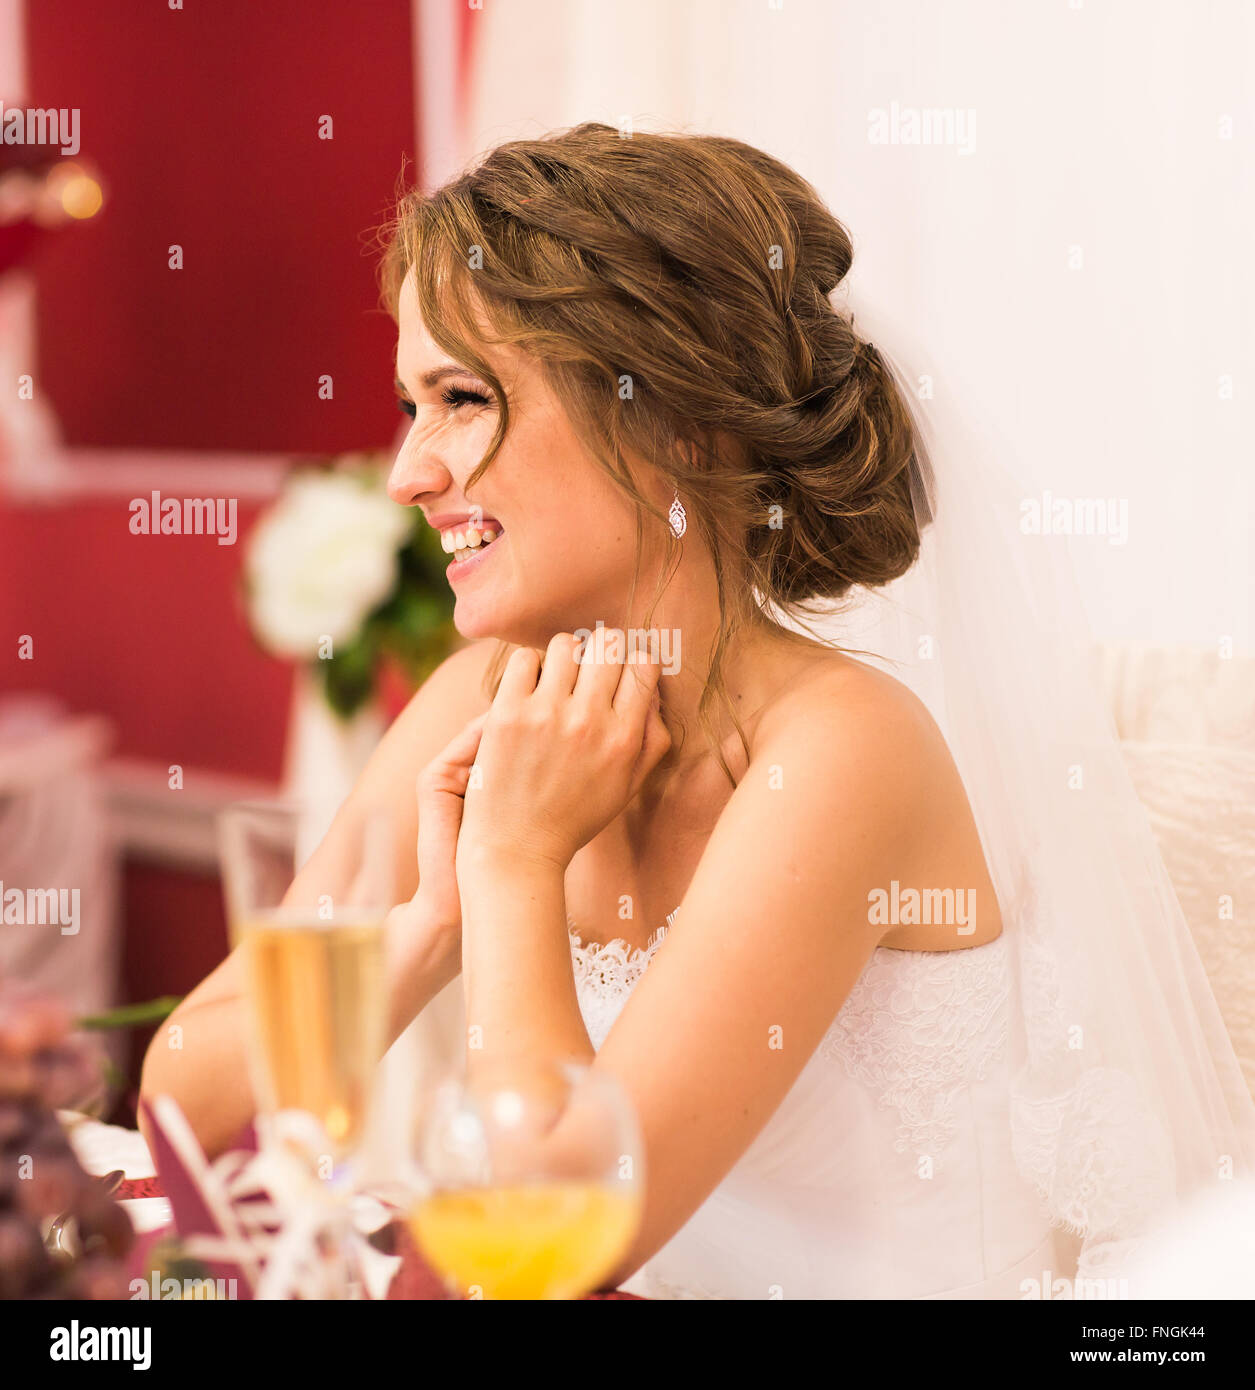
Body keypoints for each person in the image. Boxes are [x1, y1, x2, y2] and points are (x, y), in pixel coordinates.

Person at [143, 122, 1255, 1298]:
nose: (409, 472)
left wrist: (511, 863)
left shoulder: (843, 748)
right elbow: (178, 1093)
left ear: (668, 416)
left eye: (461, 399)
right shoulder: (482, 698)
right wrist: (421, 931)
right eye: (411, 406)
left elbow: (561, 1240)